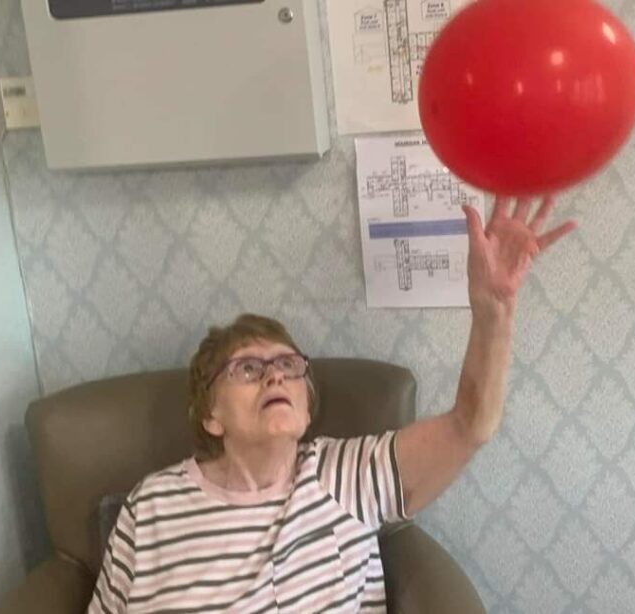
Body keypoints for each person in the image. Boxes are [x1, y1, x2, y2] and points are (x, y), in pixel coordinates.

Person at [88, 197, 576, 613]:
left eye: (288, 365)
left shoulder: (345, 476)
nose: (275, 375)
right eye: (248, 369)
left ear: (306, 407)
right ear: (210, 415)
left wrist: (493, 312)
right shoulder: (150, 507)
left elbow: (471, 425)